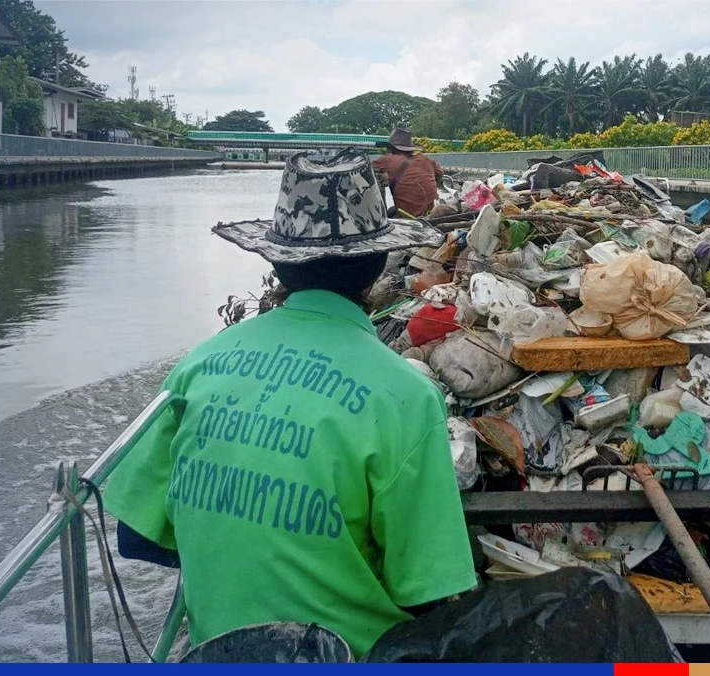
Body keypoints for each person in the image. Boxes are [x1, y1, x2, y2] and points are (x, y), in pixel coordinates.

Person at [103, 149, 477, 659]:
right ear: (375, 265)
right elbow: (430, 591)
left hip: (217, 648)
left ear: (277, 260)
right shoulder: (406, 397)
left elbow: (135, 537)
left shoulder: (201, 363)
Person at [371, 128, 444, 218]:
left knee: (390, 213)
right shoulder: (426, 159)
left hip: (410, 218)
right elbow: (440, 174)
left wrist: (385, 176)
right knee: (392, 210)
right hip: (433, 214)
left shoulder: (388, 160)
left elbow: (366, 168)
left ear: (391, 149)